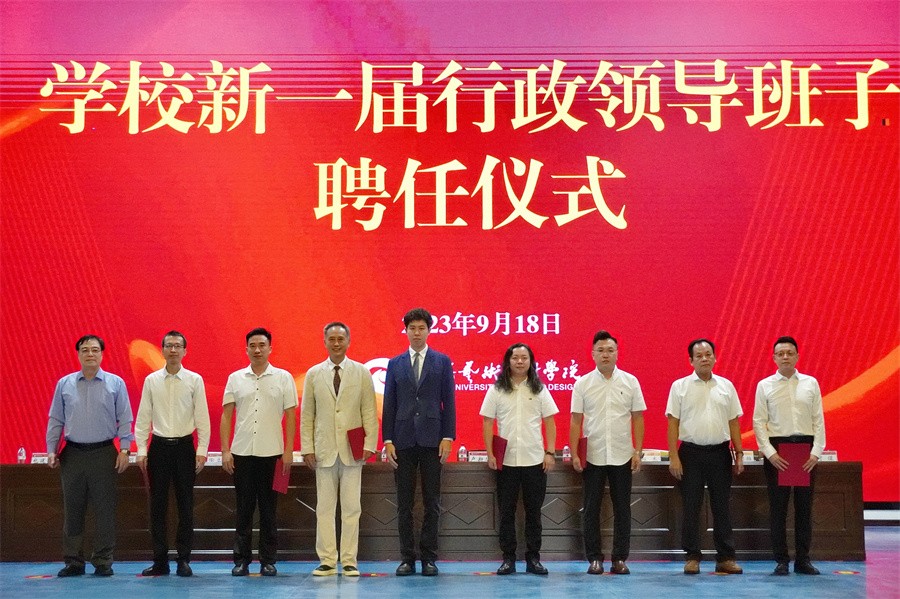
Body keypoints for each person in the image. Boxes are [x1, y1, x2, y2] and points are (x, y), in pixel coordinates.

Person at [45, 334, 133, 577]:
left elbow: (125, 418)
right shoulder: (64, 384)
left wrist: (125, 449)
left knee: (105, 511)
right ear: (78, 354)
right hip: (72, 454)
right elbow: (56, 419)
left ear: (102, 354)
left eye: (95, 349)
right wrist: (51, 449)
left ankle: (103, 560)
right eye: (85, 350)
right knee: (73, 510)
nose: (90, 354)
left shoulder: (115, 383)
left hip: (104, 453)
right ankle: (73, 561)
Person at [382, 307, 456, 576]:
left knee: (431, 502)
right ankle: (407, 558)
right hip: (402, 440)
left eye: (421, 328)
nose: (416, 333)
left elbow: (449, 401)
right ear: (405, 331)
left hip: (432, 440)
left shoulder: (442, 361)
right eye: (412, 328)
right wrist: (387, 439)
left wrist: (447, 436)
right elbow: (389, 403)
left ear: (429, 331)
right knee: (404, 504)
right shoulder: (395, 363)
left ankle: (429, 558)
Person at [301, 322, 378, 577]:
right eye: (331, 339)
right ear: (324, 342)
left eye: (340, 339)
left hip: (352, 450)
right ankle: (326, 560)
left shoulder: (361, 372)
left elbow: (369, 410)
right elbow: (307, 414)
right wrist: (307, 447)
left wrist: (369, 444)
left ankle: (349, 561)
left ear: (348, 342)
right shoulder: (314, 374)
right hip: (323, 449)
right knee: (324, 508)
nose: (336, 343)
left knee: (351, 507)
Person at [220, 327, 297, 576]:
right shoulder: (235, 378)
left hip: (272, 454)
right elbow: (226, 415)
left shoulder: (283, 377)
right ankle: (241, 560)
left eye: (262, 345)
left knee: (268, 510)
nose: (257, 350)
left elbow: (291, 416)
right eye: (252, 346)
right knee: (243, 510)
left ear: (270, 348)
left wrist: (288, 451)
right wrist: (225, 450)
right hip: (242, 453)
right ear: (246, 349)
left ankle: (268, 560)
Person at [134, 330, 210, 577]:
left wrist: (202, 450)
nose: (173, 350)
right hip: (158, 448)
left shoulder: (194, 380)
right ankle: (160, 560)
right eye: (169, 346)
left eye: (178, 346)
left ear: (185, 351)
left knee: (185, 506)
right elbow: (143, 417)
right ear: (163, 350)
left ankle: (183, 560)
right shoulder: (152, 380)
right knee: (157, 507)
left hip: (185, 448)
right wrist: (141, 449)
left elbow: (202, 417)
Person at [666, 338, 744, 575]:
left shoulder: (726, 386)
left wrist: (739, 453)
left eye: (708, 354)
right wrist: (673, 456)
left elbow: (733, 421)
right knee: (691, 507)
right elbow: (673, 422)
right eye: (699, 356)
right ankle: (692, 557)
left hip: (720, 453)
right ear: (691, 360)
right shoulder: (679, 386)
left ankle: (726, 557)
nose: (704, 359)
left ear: (715, 357)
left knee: (722, 507)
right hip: (690, 454)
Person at [570, 330, 645, 575]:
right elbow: (575, 420)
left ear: (617, 353)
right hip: (593, 454)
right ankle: (594, 559)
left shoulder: (630, 381)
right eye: (601, 350)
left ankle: (619, 558)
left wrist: (638, 451)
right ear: (593, 354)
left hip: (622, 454)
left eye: (610, 350)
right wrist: (575, 453)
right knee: (591, 508)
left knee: (623, 508)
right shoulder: (582, 383)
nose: (605, 354)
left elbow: (638, 418)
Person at [480, 343, 558, 575]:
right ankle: (508, 559)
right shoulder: (497, 389)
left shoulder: (539, 389)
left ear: (531, 362)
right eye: (515, 358)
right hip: (506, 462)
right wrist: (490, 453)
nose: (520, 361)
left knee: (534, 513)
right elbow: (487, 422)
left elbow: (550, 421)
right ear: (508, 361)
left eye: (524, 358)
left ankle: (533, 559)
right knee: (506, 512)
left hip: (535, 460)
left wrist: (550, 452)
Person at [753, 336, 826, 576]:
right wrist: (770, 453)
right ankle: (781, 560)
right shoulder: (764, 385)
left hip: (805, 450)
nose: (785, 357)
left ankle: (803, 560)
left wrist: (816, 452)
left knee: (804, 508)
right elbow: (758, 421)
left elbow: (818, 419)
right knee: (778, 508)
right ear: (774, 358)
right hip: (778, 450)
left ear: (797, 356)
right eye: (780, 353)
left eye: (789, 353)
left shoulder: (810, 383)